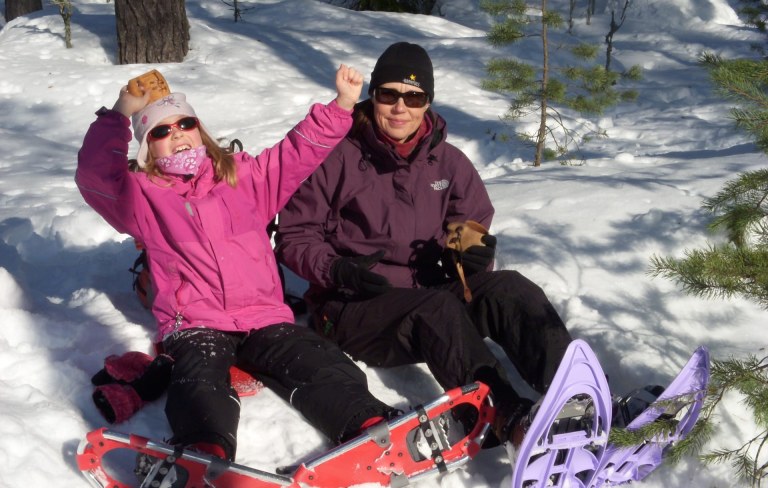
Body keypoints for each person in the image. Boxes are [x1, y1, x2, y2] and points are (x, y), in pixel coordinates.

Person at [75, 65, 398, 465]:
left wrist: (343, 104)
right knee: (198, 381)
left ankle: (369, 424)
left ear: (201, 130)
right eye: (160, 131)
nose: (175, 134)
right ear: (147, 150)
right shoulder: (142, 198)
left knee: (316, 359)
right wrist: (121, 113)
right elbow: (94, 175)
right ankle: (203, 453)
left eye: (185, 123)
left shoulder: (244, 176)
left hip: (262, 315)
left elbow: (297, 152)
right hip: (196, 322)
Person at [275, 42, 574, 447]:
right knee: (436, 308)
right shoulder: (337, 157)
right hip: (355, 307)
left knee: (510, 287)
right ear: (373, 96)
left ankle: (576, 395)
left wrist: (468, 253)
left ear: (427, 103)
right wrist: (336, 269)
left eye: (413, 97)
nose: (400, 107)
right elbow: (295, 234)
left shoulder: (448, 162)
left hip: (431, 297)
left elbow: (468, 224)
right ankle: (510, 418)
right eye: (388, 94)